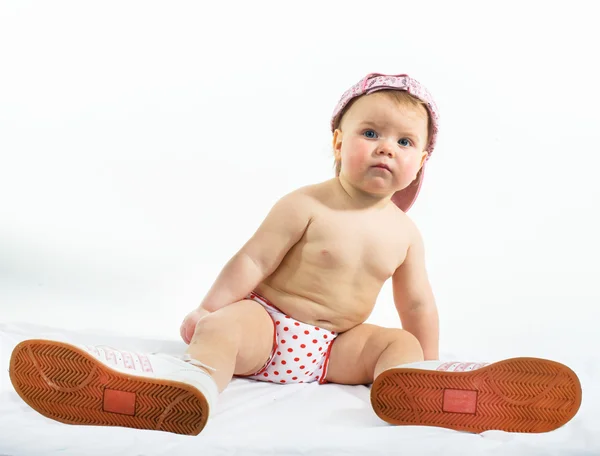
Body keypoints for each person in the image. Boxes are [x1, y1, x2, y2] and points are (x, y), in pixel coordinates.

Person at [9, 73, 582, 436]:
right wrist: (209, 310)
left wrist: (425, 356)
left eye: (405, 142)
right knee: (228, 328)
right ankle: (194, 387)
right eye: (370, 133)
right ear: (338, 140)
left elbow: (418, 304)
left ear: (421, 161)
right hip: (270, 327)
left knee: (398, 341)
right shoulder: (306, 204)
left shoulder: (405, 234)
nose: (386, 147)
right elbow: (251, 264)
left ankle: (415, 387)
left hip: (336, 350)